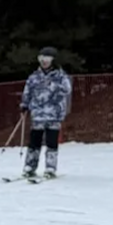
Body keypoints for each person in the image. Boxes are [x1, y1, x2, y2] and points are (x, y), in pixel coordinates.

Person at [20, 45, 72, 179]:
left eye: (47, 58)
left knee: (51, 142)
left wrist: (53, 86)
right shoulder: (34, 77)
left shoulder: (60, 76)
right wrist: (24, 105)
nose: (44, 61)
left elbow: (67, 89)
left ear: (53, 60)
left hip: (54, 115)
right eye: (41, 58)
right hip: (38, 115)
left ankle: (50, 167)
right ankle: (30, 166)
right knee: (34, 142)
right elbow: (27, 92)